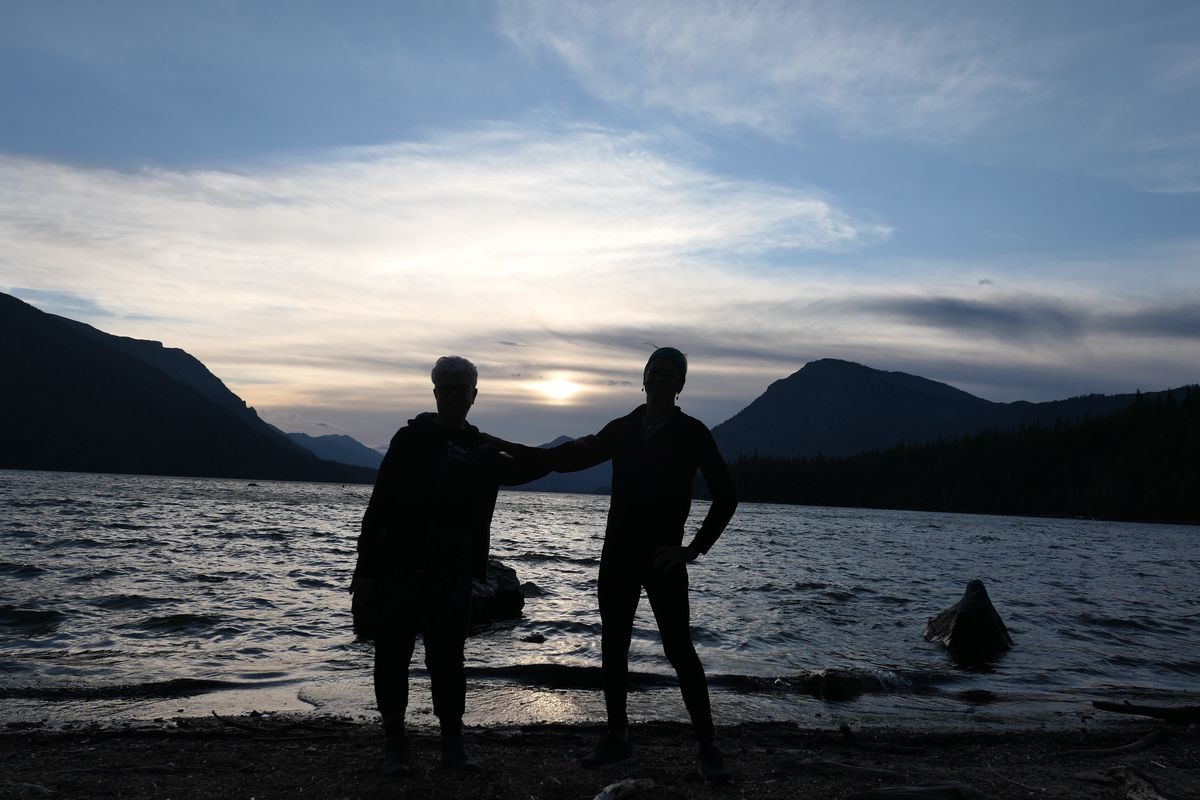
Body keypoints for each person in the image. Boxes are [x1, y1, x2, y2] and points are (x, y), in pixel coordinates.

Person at [499, 347, 737, 783]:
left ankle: (707, 745)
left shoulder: (692, 433)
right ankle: (617, 737)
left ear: (681, 385)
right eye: (657, 372)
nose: (663, 380)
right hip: (619, 556)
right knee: (614, 646)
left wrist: (692, 549)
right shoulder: (625, 428)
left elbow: (726, 495)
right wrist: (502, 451)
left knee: (679, 649)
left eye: (672, 374)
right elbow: (568, 458)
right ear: (644, 379)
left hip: (664, 560)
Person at [350, 356, 545, 776]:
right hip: (398, 565)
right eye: (447, 388)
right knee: (392, 653)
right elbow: (379, 504)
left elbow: (536, 467)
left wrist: (501, 444)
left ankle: (452, 744)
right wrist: (364, 571)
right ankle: (395, 742)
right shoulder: (410, 440)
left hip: (453, 569)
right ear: (436, 393)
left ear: (474, 394)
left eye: (463, 388)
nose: (455, 395)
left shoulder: (482, 449)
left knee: (448, 657)